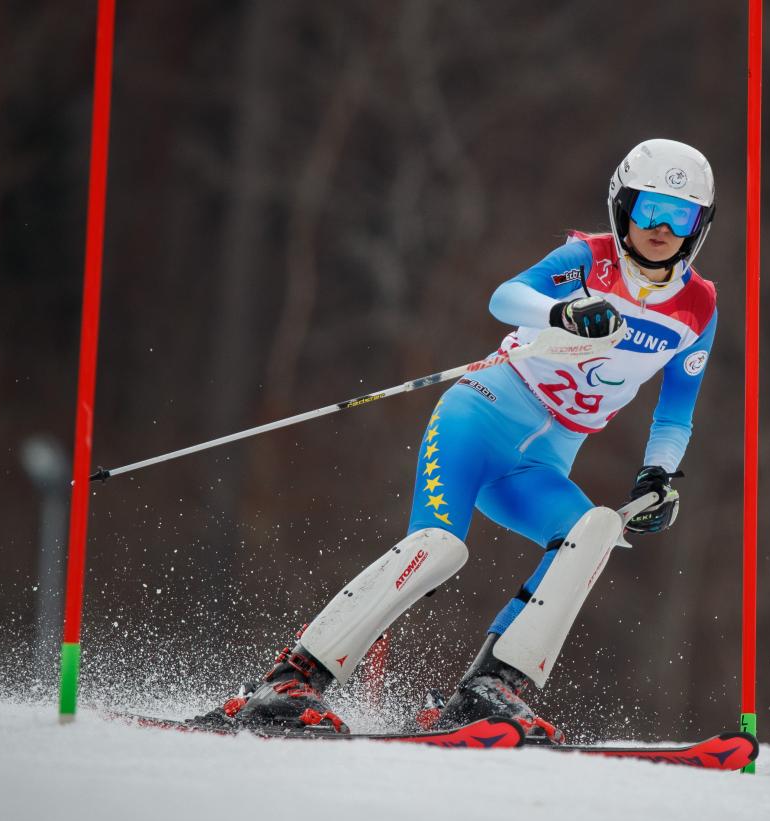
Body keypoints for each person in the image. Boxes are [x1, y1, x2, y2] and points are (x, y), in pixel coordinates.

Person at [210, 139, 719, 739]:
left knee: (594, 533)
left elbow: (675, 415)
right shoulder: (587, 258)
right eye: (647, 209)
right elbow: (505, 298)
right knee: (439, 548)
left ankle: (488, 688)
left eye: (678, 215)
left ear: (698, 226)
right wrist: (562, 311)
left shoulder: (698, 307)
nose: (660, 227)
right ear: (623, 208)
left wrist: (658, 477)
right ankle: (288, 681)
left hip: (537, 465)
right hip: (476, 419)